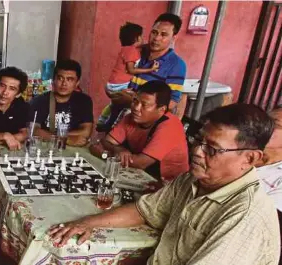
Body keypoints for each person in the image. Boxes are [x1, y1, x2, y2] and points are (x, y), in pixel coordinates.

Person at [49, 103, 280, 265]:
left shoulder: (246, 217)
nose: (197, 152)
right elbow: (145, 210)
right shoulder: (194, 179)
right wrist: (88, 222)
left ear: (249, 159)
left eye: (212, 148)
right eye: (198, 140)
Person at [90, 80, 189, 182]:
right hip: (140, 175)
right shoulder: (131, 117)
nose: (136, 108)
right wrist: (118, 150)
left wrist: (105, 154)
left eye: (144, 105)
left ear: (162, 109)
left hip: (168, 185)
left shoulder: (170, 126)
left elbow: (140, 163)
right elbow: (106, 141)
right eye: (135, 101)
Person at [115, 13, 186, 116]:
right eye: (154, 32)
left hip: (144, 123)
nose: (156, 38)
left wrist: (132, 101)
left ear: (174, 38)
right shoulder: (136, 52)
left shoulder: (176, 65)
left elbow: (171, 103)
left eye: (164, 35)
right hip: (120, 114)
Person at [97, 22, 159, 131]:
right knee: (130, 104)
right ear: (136, 38)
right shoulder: (131, 51)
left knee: (115, 106)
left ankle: (106, 123)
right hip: (119, 85)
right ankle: (114, 128)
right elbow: (131, 70)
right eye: (141, 36)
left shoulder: (127, 49)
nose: (143, 38)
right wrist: (150, 69)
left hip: (114, 83)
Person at [29, 59, 93, 147]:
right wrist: (64, 140)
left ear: (77, 83)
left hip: (74, 148)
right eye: (60, 78)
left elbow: (86, 132)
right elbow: (34, 131)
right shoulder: (39, 101)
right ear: (53, 80)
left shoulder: (84, 101)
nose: (64, 84)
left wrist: (50, 136)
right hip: (46, 147)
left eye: (69, 79)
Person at [256, 107, 282, 210]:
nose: (262, 125)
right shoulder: (240, 149)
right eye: (264, 120)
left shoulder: (279, 181)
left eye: (275, 124)